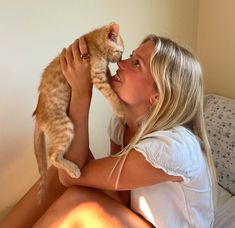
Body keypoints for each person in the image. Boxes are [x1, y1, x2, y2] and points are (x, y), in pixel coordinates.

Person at [0, 34, 217, 228]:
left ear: (157, 96)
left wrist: (81, 92)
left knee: (81, 203)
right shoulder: (120, 126)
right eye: (129, 56)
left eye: (136, 64)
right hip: (136, 217)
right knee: (59, 171)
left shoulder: (170, 148)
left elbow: (73, 179)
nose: (120, 63)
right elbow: (112, 193)